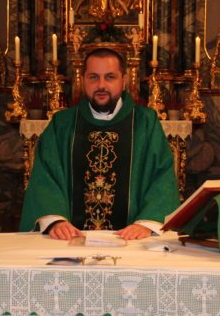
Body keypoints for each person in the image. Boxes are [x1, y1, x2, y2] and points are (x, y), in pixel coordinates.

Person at [19, 48, 180, 240]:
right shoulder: (62, 124)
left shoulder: (146, 123)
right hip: (70, 239)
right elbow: (45, 177)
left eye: (110, 77)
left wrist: (146, 223)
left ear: (124, 81)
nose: (101, 85)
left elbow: (161, 177)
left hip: (132, 240)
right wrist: (55, 220)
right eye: (93, 77)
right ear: (83, 80)